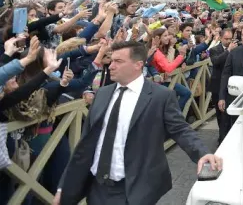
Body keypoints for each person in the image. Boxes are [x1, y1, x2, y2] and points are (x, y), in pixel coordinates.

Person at [54, 41, 221, 205]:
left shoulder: (160, 96)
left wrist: (202, 153)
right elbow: (85, 145)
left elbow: (181, 130)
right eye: (111, 60)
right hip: (98, 189)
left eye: (118, 61)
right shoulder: (102, 94)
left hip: (135, 188)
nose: (111, 66)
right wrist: (64, 187)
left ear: (138, 65)